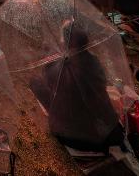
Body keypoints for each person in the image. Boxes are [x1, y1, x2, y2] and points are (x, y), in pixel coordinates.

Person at [34, 22, 123, 151]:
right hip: (90, 138)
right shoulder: (93, 64)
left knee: (36, 83)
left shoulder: (53, 67)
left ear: (65, 43)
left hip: (62, 133)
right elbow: (102, 108)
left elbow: (50, 92)